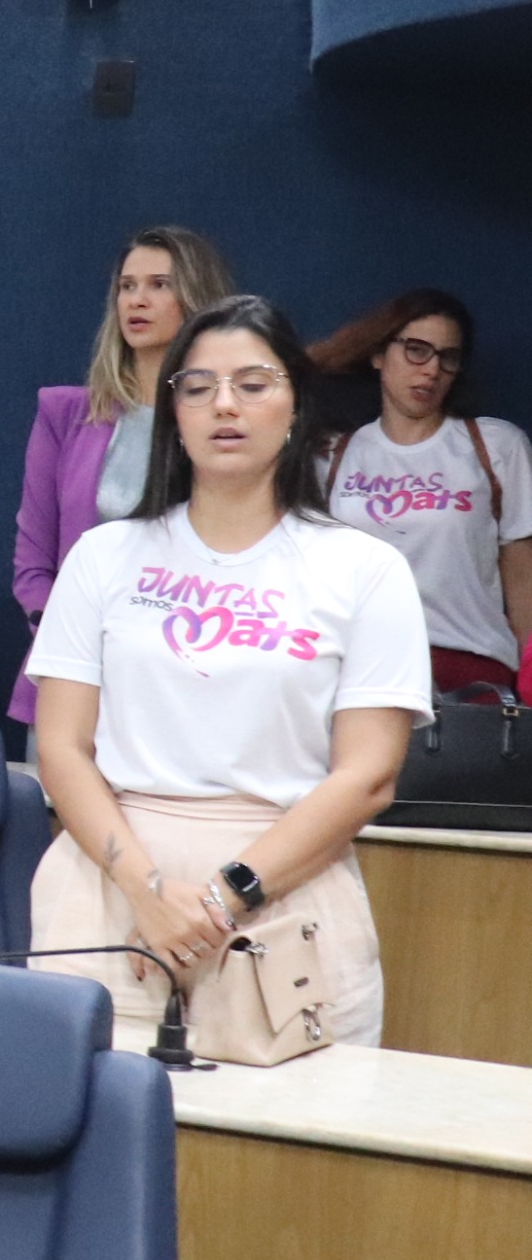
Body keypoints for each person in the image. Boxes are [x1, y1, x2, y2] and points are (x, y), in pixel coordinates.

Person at [29, 296, 426, 1047]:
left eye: (252, 383)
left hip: (284, 888)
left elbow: (369, 775)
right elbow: (61, 747)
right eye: (199, 386)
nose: (224, 405)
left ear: (296, 406)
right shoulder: (104, 556)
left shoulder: (365, 570)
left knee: (293, 1117)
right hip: (112, 884)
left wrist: (222, 897)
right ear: (172, 411)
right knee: (87, 1106)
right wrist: (147, 890)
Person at [13, 226, 231, 722]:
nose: (137, 300)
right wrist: (67, 636)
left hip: (183, 677)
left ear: (198, 298)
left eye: (159, 285)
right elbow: (33, 563)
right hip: (75, 670)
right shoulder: (65, 413)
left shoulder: (226, 421)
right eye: (127, 286)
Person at [314, 289, 532, 697]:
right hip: (361, 664)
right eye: (416, 350)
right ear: (379, 355)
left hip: (470, 663)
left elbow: (522, 576)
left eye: (447, 357)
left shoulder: (495, 446)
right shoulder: (333, 456)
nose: (431, 370)